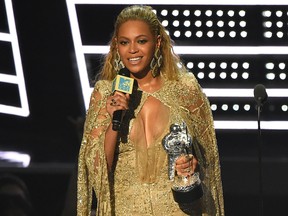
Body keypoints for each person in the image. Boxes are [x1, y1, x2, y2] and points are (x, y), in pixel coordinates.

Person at [77, 5, 224, 216]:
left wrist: (192, 164)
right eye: (125, 42)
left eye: (141, 41)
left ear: (157, 43)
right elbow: (97, 170)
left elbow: (208, 159)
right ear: (116, 46)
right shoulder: (105, 93)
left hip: (177, 208)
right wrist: (113, 122)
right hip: (125, 208)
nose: (133, 50)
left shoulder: (185, 89)